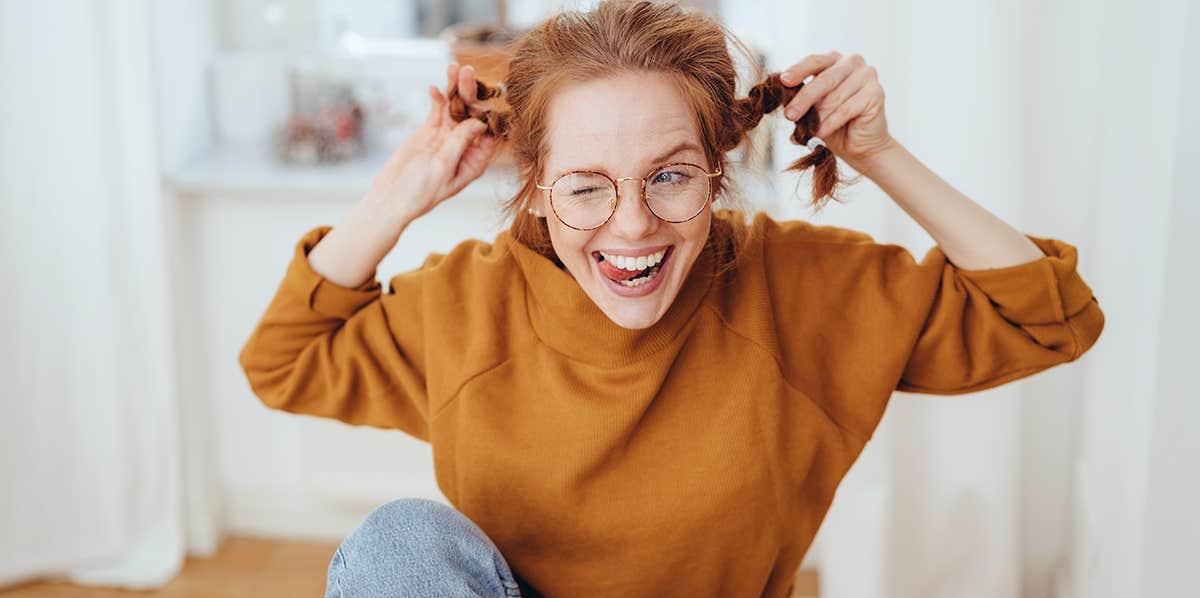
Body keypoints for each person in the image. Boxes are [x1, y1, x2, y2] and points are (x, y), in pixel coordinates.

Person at [237, 1, 1106, 596]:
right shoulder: (473, 301)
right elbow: (281, 363)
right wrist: (401, 191)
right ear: (535, 187)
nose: (632, 229)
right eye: (586, 187)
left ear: (717, 171)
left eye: (671, 178)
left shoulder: (799, 291)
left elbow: (1051, 317)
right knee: (400, 546)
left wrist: (878, 154)